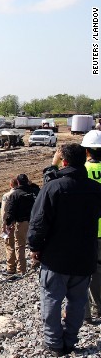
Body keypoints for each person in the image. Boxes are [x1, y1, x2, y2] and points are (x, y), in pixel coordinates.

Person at [28, 143, 101, 356]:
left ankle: (54, 344)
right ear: (84, 158)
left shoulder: (54, 188)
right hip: (85, 254)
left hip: (55, 256)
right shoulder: (96, 189)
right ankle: (70, 341)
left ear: (64, 161)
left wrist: (35, 247)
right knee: (78, 301)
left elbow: (38, 222)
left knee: (51, 299)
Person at [81, 130, 101, 322]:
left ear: (86, 151)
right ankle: (99, 307)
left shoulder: (82, 171)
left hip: (85, 229)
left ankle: (84, 313)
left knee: (81, 272)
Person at [4, 173, 40, 275]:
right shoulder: (34, 191)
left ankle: (21, 269)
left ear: (18, 182)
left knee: (20, 246)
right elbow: (38, 190)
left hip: (22, 222)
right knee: (35, 242)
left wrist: (8, 223)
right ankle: (36, 261)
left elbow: (10, 211)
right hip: (35, 220)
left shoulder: (15, 194)